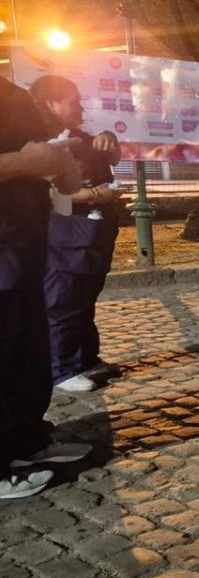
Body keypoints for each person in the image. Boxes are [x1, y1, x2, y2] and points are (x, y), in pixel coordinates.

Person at [0, 77, 91, 499]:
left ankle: (25, 443)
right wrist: (23, 162)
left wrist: (60, 164)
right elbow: (22, 159)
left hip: (24, 244)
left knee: (27, 355)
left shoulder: (11, 92)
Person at [27, 75, 125, 394]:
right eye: (73, 102)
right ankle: (62, 368)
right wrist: (95, 195)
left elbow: (110, 157)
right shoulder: (38, 141)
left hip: (93, 230)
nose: (80, 107)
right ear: (50, 103)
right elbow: (46, 192)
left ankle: (85, 359)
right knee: (64, 297)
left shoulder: (79, 137)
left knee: (85, 296)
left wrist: (109, 139)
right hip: (66, 233)